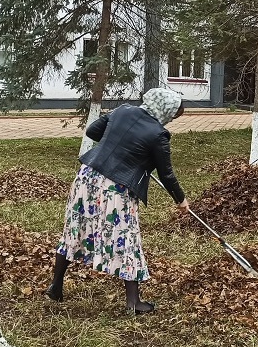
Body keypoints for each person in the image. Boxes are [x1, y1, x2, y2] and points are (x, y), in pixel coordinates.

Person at [44, 88, 189, 315]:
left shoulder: (123, 110)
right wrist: (181, 200)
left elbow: (93, 131)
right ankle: (133, 304)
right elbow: (166, 174)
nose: (170, 120)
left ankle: (55, 287)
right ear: (164, 110)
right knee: (126, 239)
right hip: (115, 189)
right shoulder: (158, 134)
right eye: (172, 115)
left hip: (87, 177)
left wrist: (121, 147)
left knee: (74, 231)